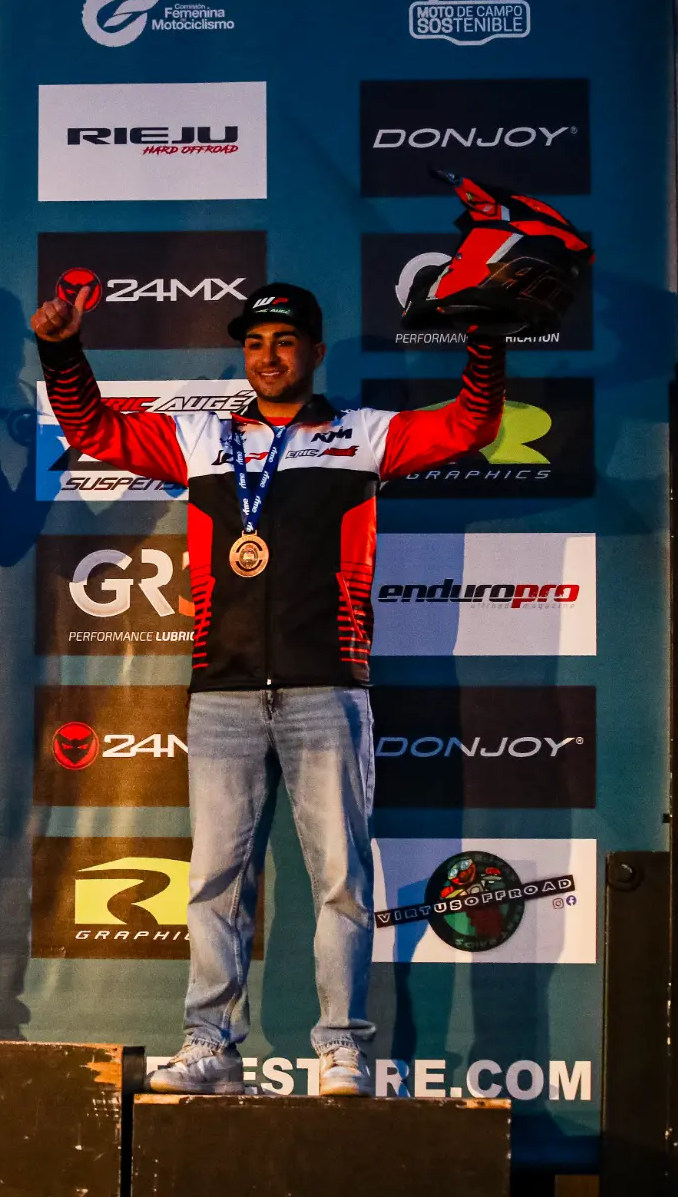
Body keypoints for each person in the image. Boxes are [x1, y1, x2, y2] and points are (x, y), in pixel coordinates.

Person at [32, 281, 505, 1096]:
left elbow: (471, 424)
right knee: (213, 882)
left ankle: (342, 1050)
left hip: (330, 687)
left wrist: (487, 342)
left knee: (342, 882)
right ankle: (210, 1047)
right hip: (223, 693)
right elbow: (93, 429)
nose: (268, 355)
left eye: (285, 341)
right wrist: (62, 349)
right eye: (255, 342)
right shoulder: (203, 438)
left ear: (314, 351)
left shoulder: (363, 434)